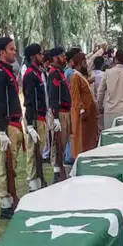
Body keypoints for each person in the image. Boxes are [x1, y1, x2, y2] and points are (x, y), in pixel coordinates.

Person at [0, 37, 24, 220]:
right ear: (2, 52)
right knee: (4, 165)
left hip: (14, 124)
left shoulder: (7, 71)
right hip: (7, 125)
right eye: (11, 49)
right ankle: (5, 203)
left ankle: (10, 197)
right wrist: (2, 130)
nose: (14, 52)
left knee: (12, 164)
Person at [22, 43, 46, 192]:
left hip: (41, 116)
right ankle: (32, 183)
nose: (42, 56)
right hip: (34, 117)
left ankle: (38, 180)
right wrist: (30, 124)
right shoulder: (30, 75)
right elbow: (29, 100)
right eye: (39, 54)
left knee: (39, 151)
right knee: (33, 152)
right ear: (32, 57)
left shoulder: (37, 73)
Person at [47, 47, 73, 181]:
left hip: (65, 112)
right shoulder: (54, 74)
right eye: (62, 56)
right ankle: (57, 173)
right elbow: (53, 96)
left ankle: (60, 171)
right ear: (56, 58)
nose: (65, 58)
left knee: (63, 143)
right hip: (60, 113)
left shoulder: (60, 72)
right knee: (57, 144)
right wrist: (56, 116)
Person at [68, 52, 99, 158]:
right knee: (81, 140)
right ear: (80, 63)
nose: (86, 65)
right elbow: (75, 97)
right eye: (85, 63)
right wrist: (81, 110)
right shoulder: (75, 77)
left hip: (89, 114)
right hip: (82, 115)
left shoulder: (80, 76)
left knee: (89, 139)